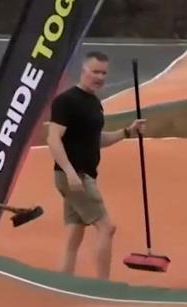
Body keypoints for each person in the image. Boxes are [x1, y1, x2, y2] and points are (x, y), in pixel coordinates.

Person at [46, 51, 146, 280]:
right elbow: (53, 138)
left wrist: (127, 132)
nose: (99, 77)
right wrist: (71, 173)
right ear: (83, 71)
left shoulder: (94, 103)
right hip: (75, 176)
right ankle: (103, 283)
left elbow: (96, 140)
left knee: (75, 230)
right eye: (95, 71)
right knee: (106, 227)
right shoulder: (66, 101)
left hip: (82, 174)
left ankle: (63, 280)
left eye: (103, 73)